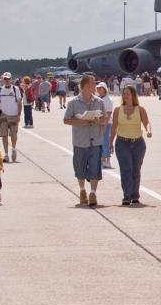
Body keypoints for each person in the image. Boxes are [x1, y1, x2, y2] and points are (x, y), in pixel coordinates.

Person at [63, 76, 108, 207]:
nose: (95, 85)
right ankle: (82, 190)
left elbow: (105, 119)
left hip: (95, 140)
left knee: (95, 168)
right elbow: (66, 120)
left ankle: (93, 193)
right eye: (93, 83)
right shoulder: (73, 103)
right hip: (80, 141)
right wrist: (82, 121)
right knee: (79, 167)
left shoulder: (99, 102)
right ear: (86, 85)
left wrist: (98, 121)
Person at [109, 86, 152, 206]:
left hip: (138, 143)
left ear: (133, 95)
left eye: (127, 93)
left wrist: (149, 131)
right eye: (124, 94)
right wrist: (110, 143)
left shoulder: (140, 109)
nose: (125, 96)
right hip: (122, 143)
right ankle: (126, 196)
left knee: (136, 170)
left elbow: (146, 123)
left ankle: (135, 195)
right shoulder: (118, 110)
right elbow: (113, 128)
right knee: (126, 169)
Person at [0, 72, 22, 163]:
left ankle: (13, 149)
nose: (6, 80)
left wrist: (19, 115)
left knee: (14, 135)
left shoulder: (16, 89)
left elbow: (19, 102)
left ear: (11, 79)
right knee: (4, 135)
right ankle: (6, 154)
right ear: (3, 79)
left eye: (8, 79)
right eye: (5, 79)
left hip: (13, 115)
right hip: (3, 115)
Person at [96, 82, 114, 169]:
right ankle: (102, 159)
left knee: (105, 142)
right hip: (99, 123)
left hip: (106, 124)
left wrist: (104, 124)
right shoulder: (98, 98)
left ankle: (107, 161)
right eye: (98, 88)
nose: (98, 89)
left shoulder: (107, 100)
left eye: (100, 88)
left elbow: (109, 113)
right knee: (101, 142)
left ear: (105, 89)